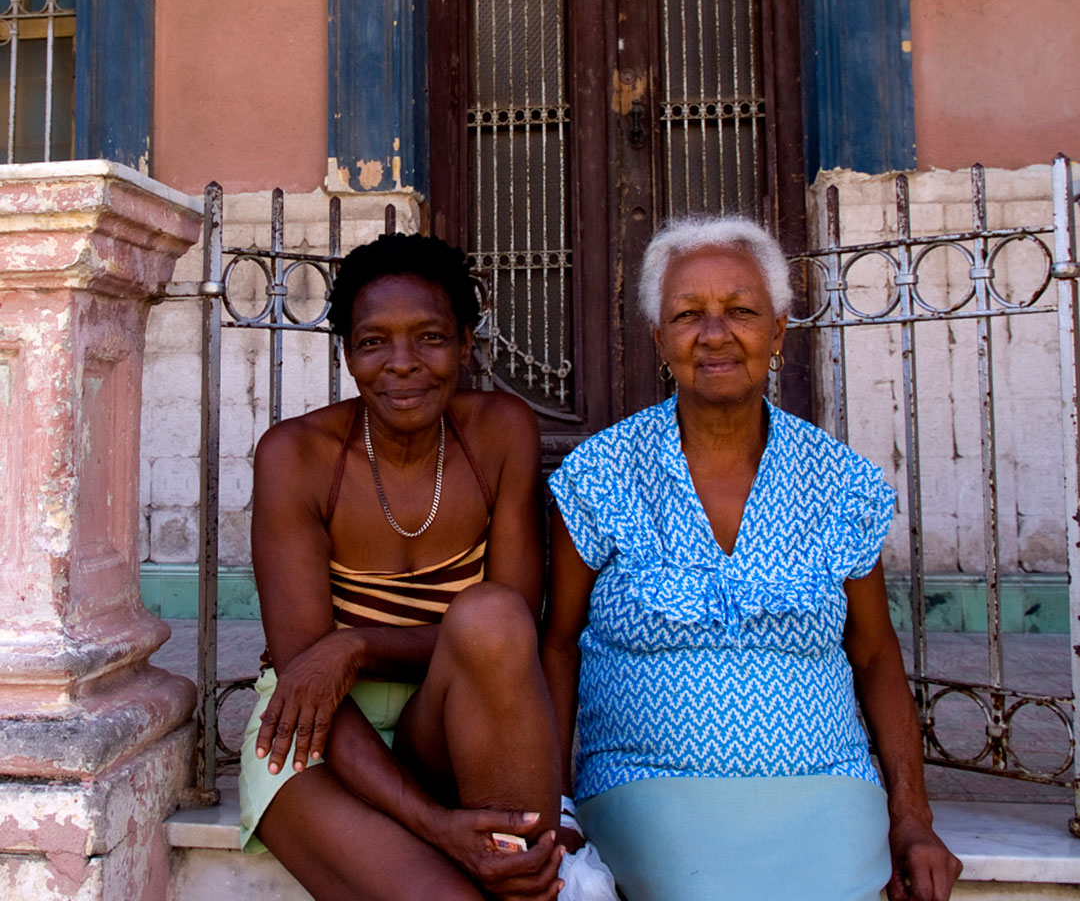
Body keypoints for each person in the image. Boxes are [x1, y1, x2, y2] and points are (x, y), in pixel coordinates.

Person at [541, 216, 963, 901]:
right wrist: (555, 807)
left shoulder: (841, 483)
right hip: (644, 789)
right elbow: (557, 646)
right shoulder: (602, 473)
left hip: (825, 787)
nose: (715, 334)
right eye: (687, 315)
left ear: (779, 329)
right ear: (658, 338)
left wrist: (912, 819)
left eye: (741, 311)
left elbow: (878, 656)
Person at [238, 232, 565, 901]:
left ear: (468, 344)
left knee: (495, 614)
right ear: (349, 356)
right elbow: (310, 681)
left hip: (446, 718)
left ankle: (530, 857)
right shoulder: (295, 457)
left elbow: (509, 638)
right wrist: (437, 827)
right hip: (315, 734)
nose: (403, 364)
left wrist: (355, 644)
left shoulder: (501, 433)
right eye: (372, 342)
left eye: (431, 338)